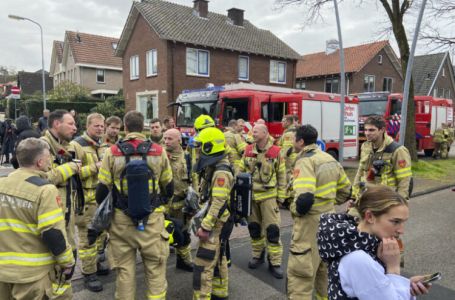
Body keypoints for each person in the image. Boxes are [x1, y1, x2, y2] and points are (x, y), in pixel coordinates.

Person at [97, 111, 173, 299]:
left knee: (124, 273)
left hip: (121, 222)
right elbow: (169, 187)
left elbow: (101, 191)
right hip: (152, 221)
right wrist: (158, 205)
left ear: (125, 127)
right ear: (144, 127)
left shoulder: (112, 152)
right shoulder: (158, 150)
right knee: (155, 270)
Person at [318, 185, 430, 300]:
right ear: (370, 216)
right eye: (395, 221)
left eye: (403, 222)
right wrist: (394, 269)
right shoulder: (358, 259)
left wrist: (405, 286)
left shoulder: (351, 244)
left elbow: (375, 288)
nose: (402, 230)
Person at [0, 138, 75, 299]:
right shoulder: (45, 190)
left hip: (3, 272)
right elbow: (52, 233)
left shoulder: (2, 184)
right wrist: (67, 262)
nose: (50, 162)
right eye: (48, 158)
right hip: (32, 275)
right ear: (40, 162)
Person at [287, 124, 351, 299]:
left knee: (301, 274)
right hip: (329, 218)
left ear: (300, 141)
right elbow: (347, 191)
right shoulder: (329, 158)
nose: (292, 142)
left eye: (294, 139)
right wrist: (327, 203)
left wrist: (294, 209)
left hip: (310, 223)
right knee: (325, 272)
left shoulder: (305, 161)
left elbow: (304, 201)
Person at [238, 124, 287, 278]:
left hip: (269, 197)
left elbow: (282, 176)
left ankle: (275, 262)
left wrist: (281, 197)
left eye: (256, 131)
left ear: (265, 133)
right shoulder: (247, 151)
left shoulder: (276, 152)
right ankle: (257, 255)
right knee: (254, 228)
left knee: (272, 231)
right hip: (252, 197)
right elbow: (240, 172)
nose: (252, 133)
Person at [41, 109, 81, 299]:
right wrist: (70, 167)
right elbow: (43, 178)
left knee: (68, 265)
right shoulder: (43, 147)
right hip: (53, 218)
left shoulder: (66, 145)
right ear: (57, 124)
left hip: (66, 214)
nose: (75, 127)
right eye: (71, 123)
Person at [192, 127, 234, 300]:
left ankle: (202, 297)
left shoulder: (221, 171)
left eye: (201, 146)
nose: (197, 149)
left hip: (214, 223)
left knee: (203, 263)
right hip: (220, 221)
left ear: (209, 147)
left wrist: (205, 226)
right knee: (218, 255)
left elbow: (218, 202)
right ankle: (219, 291)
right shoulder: (216, 165)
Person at [70, 113, 109, 292]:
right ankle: (88, 274)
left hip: (101, 199)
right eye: (97, 126)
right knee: (87, 239)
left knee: (100, 235)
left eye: (102, 126)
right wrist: (95, 167)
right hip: (85, 201)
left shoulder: (103, 145)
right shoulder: (76, 145)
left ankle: (96, 265)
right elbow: (72, 173)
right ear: (88, 126)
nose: (100, 129)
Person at [353, 115, 412, 201]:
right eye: (365, 130)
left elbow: (404, 180)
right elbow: (360, 172)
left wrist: (400, 202)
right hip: (367, 196)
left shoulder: (397, 150)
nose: (367, 133)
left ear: (382, 130)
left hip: (387, 199)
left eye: (371, 130)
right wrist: (354, 196)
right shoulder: (365, 147)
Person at [163, 128, 194, 272]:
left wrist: (194, 203)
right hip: (163, 205)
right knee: (161, 236)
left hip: (181, 206)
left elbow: (193, 181)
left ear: (179, 140)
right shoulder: (160, 156)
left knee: (183, 234)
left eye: (170, 139)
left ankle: (184, 260)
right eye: (165, 138)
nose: (166, 141)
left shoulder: (187, 157)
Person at [277, 115, 298, 208]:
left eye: (283, 121)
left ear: (288, 122)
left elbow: (287, 149)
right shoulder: (292, 131)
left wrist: (280, 159)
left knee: (287, 177)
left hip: (289, 160)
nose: (281, 123)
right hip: (293, 158)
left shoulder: (289, 134)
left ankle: (287, 199)